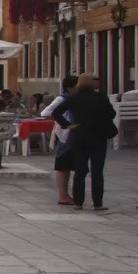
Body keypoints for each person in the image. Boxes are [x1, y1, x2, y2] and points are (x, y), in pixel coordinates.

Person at [52, 74, 118, 211]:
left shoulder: (74, 98)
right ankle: (98, 203)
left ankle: (78, 202)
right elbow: (112, 114)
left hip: (80, 135)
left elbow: (56, 112)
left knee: (80, 170)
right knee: (97, 170)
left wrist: (68, 125)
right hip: (98, 136)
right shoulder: (100, 97)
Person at [44, 75, 78, 206]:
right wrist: (65, 123)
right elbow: (46, 112)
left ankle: (66, 195)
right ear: (70, 88)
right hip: (64, 136)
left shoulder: (74, 98)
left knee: (68, 166)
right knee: (63, 166)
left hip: (72, 136)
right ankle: (63, 196)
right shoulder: (62, 99)